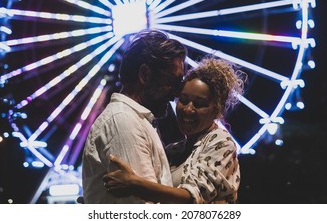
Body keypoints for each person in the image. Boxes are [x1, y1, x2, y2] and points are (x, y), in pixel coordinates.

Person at [103, 56, 247, 204]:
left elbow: (192, 198)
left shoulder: (222, 143)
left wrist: (134, 184)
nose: (188, 109)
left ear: (217, 109)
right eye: (183, 100)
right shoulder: (173, 150)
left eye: (199, 104)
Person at [82, 29, 187, 203]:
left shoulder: (133, 120)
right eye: (173, 82)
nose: (176, 94)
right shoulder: (123, 122)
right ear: (145, 74)